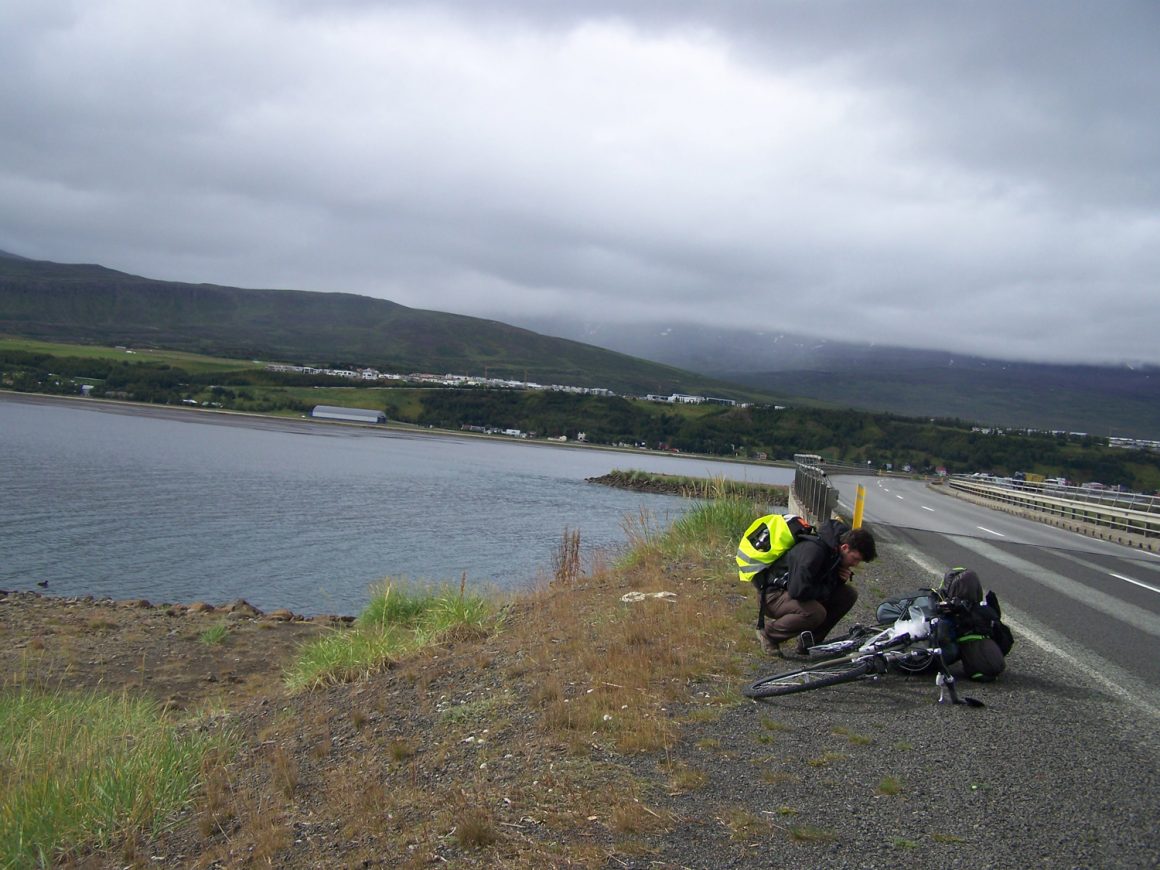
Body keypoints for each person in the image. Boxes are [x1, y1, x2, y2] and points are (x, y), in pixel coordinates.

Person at [754, 519, 877, 656]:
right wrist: (828, 589)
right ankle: (769, 634)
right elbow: (798, 591)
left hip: (790, 593)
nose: (855, 564)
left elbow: (818, 584)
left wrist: (837, 580)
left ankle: (809, 642)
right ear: (845, 547)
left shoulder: (834, 553)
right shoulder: (814, 551)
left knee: (848, 595)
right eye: (855, 559)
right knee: (816, 612)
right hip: (772, 595)